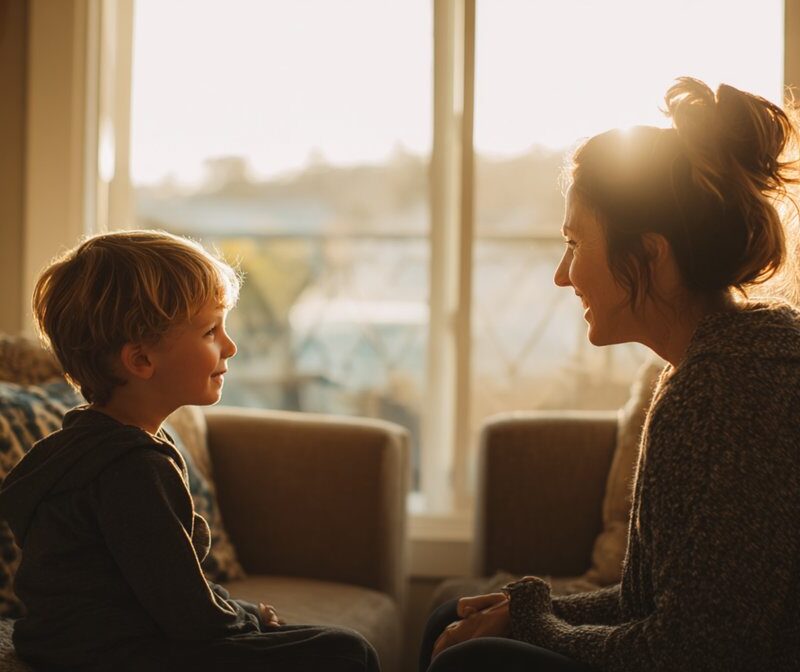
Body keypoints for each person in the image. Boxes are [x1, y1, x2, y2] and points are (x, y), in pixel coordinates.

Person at [419, 77, 800, 671]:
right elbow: (653, 603)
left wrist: (539, 628)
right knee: (452, 618)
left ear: (650, 256)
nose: (562, 275)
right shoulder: (714, 365)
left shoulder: (724, 393)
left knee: (468, 662)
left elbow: (693, 648)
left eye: (575, 242)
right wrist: (529, 611)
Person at [0, 231, 380, 672]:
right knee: (347, 652)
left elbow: (154, 582)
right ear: (141, 361)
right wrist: (248, 617)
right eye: (210, 331)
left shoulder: (80, 444)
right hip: (114, 653)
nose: (230, 347)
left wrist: (238, 611)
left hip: (70, 641)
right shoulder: (130, 467)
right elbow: (188, 615)